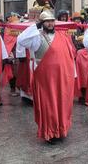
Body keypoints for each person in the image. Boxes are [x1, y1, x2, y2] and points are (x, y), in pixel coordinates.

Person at [16, 9, 76, 144]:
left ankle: (60, 129)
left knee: (61, 103)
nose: (50, 24)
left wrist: (73, 73)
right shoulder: (36, 36)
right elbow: (21, 40)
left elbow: (70, 55)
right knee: (49, 105)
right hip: (45, 79)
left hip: (61, 77)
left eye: (51, 21)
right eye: (46, 21)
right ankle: (50, 132)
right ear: (42, 23)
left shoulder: (62, 36)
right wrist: (35, 27)